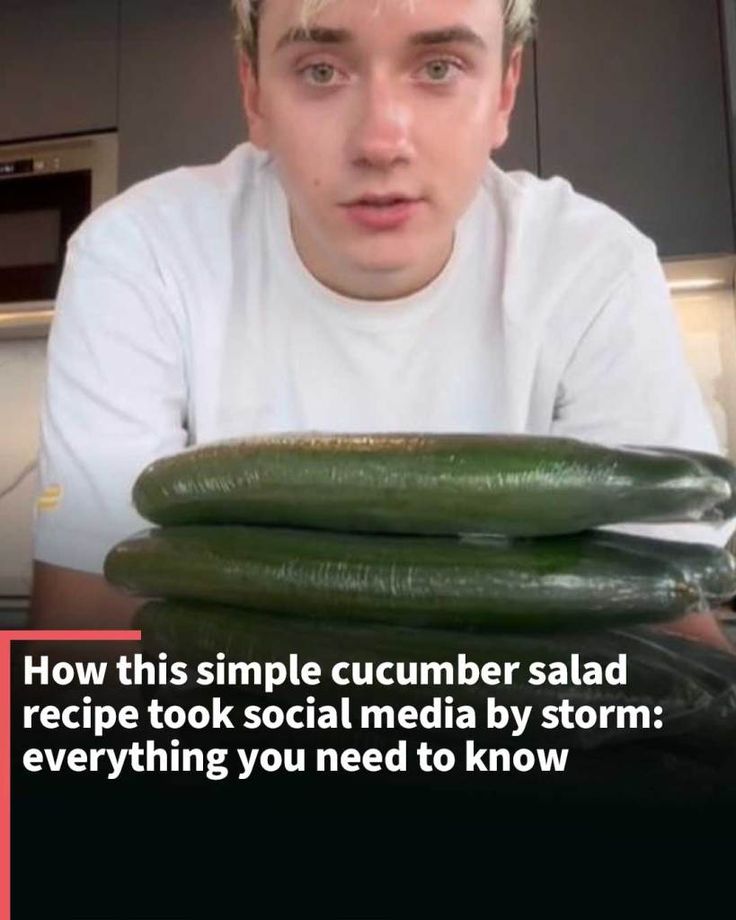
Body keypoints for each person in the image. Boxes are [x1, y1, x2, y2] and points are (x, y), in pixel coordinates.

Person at [30, 0, 735, 647]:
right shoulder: (141, 253)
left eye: (438, 67)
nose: (380, 140)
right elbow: (88, 640)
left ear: (504, 91)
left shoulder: (594, 269)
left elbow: (668, 632)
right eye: (321, 70)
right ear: (254, 92)